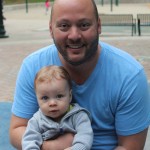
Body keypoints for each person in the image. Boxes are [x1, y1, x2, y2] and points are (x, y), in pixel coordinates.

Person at [9, 0, 150, 149]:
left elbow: (129, 147)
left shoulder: (130, 76)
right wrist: (53, 147)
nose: (74, 36)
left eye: (84, 25)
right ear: (51, 29)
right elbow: (17, 129)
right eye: (64, 26)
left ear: (99, 26)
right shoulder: (32, 67)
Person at [22, 65, 93, 150]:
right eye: (45, 98)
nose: (52, 103)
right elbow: (29, 142)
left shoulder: (79, 116)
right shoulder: (36, 121)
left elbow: (85, 136)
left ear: (70, 96)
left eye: (59, 96)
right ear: (37, 99)